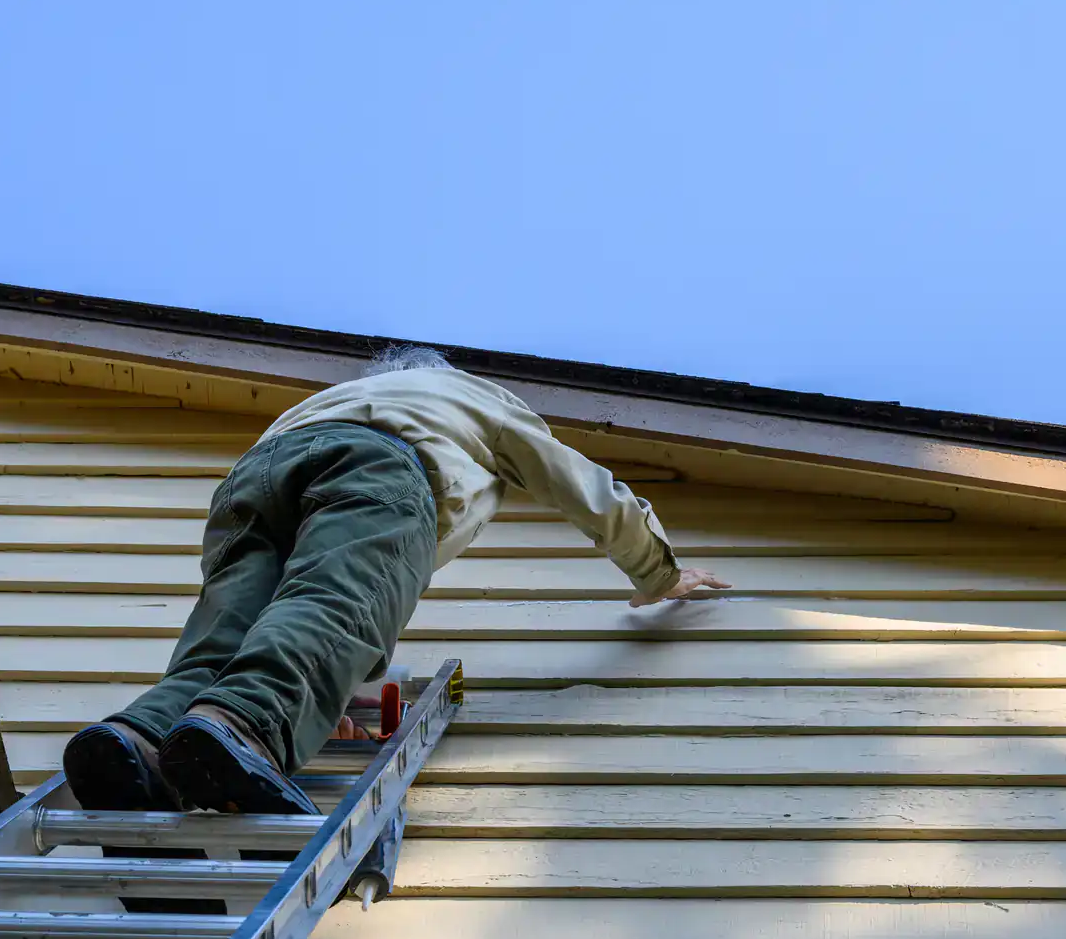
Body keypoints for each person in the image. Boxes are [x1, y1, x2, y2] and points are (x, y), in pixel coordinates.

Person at [62, 344, 730, 816]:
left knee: (225, 637)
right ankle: (241, 723)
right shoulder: (468, 394)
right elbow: (572, 479)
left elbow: (292, 594)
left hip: (252, 478)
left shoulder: (330, 398)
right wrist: (656, 568)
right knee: (335, 603)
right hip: (377, 467)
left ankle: (141, 739)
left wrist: (330, 696)